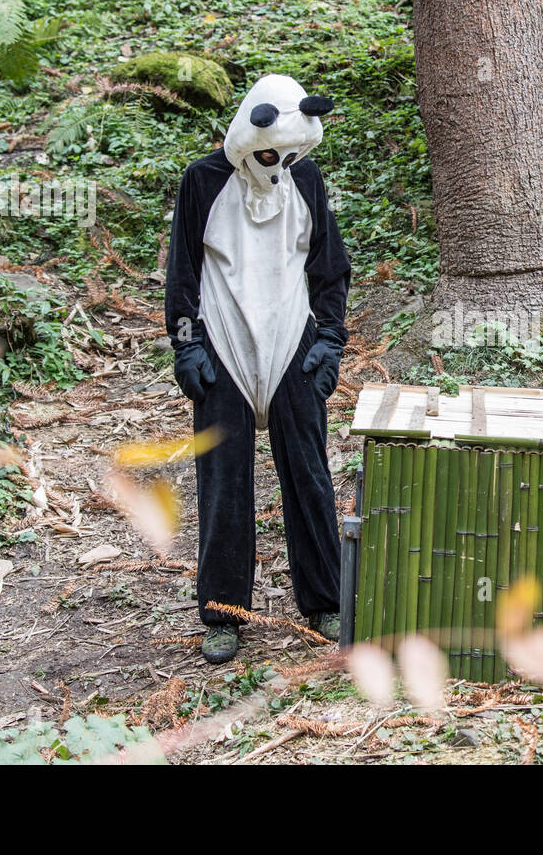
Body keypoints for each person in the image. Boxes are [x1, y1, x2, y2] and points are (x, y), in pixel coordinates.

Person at [165, 74, 351, 663]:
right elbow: (183, 273)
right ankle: (224, 612)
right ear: (249, 136)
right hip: (224, 341)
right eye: (271, 153)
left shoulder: (307, 180)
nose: (280, 165)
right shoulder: (204, 181)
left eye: (291, 155)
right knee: (224, 482)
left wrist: (330, 340)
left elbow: (328, 266)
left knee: (309, 474)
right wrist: (186, 344)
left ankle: (324, 599)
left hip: (291, 339)